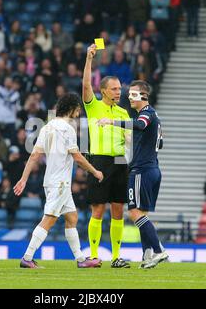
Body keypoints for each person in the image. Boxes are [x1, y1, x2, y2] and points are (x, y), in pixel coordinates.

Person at [14, 93, 104, 269]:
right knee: (50, 219)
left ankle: (80, 260)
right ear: (72, 108)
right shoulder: (67, 128)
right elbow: (77, 157)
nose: (79, 113)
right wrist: (95, 171)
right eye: (78, 109)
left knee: (72, 217)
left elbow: (34, 155)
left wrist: (23, 179)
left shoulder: (47, 127)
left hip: (51, 180)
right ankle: (27, 257)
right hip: (60, 183)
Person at [97, 80, 168, 269]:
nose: (129, 97)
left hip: (142, 171)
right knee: (142, 213)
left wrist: (112, 121)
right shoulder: (155, 115)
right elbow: (159, 143)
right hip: (152, 169)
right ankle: (147, 256)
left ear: (143, 96)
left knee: (134, 212)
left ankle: (159, 251)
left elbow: (141, 125)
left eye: (133, 94)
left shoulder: (146, 114)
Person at [82, 44, 131, 268]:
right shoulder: (93, 107)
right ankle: (93, 255)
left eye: (119, 89)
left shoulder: (123, 113)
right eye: (113, 89)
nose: (118, 92)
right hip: (100, 161)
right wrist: (89, 59)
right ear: (103, 91)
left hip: (121, 161)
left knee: (118, 209)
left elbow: (129, 138)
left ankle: (116, 257)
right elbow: (85, 85)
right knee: (98, 208)